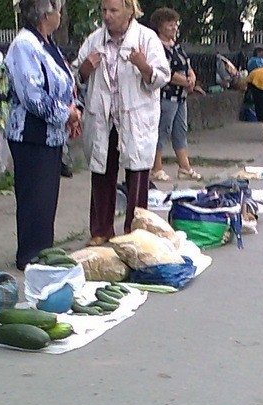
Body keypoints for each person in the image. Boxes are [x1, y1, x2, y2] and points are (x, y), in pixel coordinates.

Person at [76, 0, 171, 247]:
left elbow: (163, 76)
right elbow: (76, 75)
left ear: (130, 10)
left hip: (135, 117)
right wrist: (84, 70)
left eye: (114, 11)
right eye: (104, 11)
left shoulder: (147, 39)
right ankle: (101, 229)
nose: (107, 16)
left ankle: (135, 230)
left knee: (137, 174)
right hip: (104, 118)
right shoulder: (94, 40)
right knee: (102, 172)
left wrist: (143, 65)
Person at [4, 0, 78, 270]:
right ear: (46, 14)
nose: (60, 15)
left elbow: (63, 81)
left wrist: (73, 109)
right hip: (30, 134)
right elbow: (32, 95)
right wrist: (65, 113)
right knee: (34, 196)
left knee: (46, 197)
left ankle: (43, 251)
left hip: (50, 135)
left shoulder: (47, 43)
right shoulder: (24, 45)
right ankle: (30, 256)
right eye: (58, 10)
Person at [148, 7, 204, 182]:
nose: (174, 28)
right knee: (162, 130)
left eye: (175, 25)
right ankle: (155, 168)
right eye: (170, 25)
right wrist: (185, 82)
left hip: (181, 96)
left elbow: (186, 65)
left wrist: (192, 78)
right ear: (160, 26)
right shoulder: (157, 47)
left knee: (180, 130)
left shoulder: (176, 46)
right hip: (167, 95)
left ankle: (184, 167)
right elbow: (166, 72)